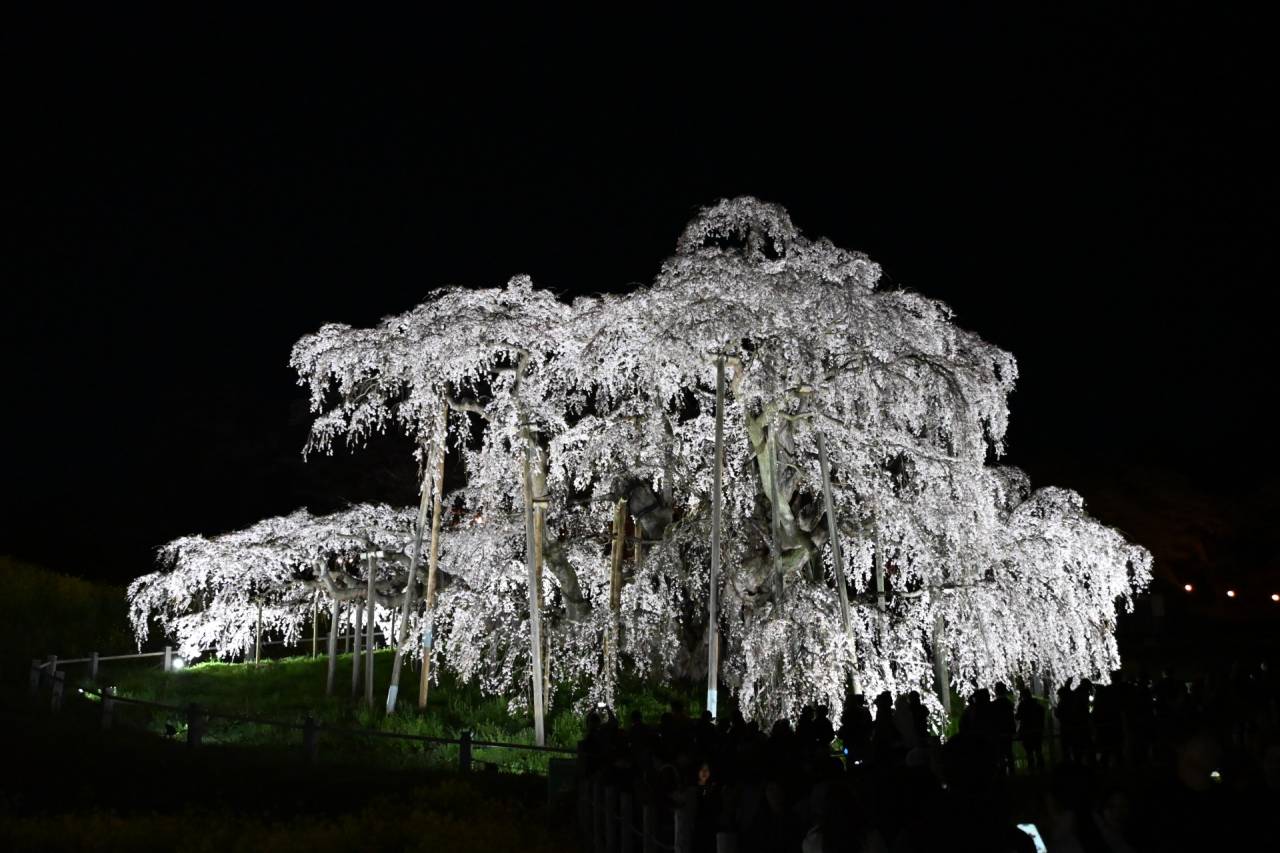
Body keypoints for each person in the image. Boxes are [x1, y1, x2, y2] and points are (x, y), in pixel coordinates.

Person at [1017, 687, 1045, 773]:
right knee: (1038, 750)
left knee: (1029, 751)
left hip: (1027, 730)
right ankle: (1041, 769)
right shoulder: (1036, 704)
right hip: (1036, 730)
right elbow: (1042, 712)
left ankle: (1032, 769)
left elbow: (1018, 716)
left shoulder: (1022, 705)